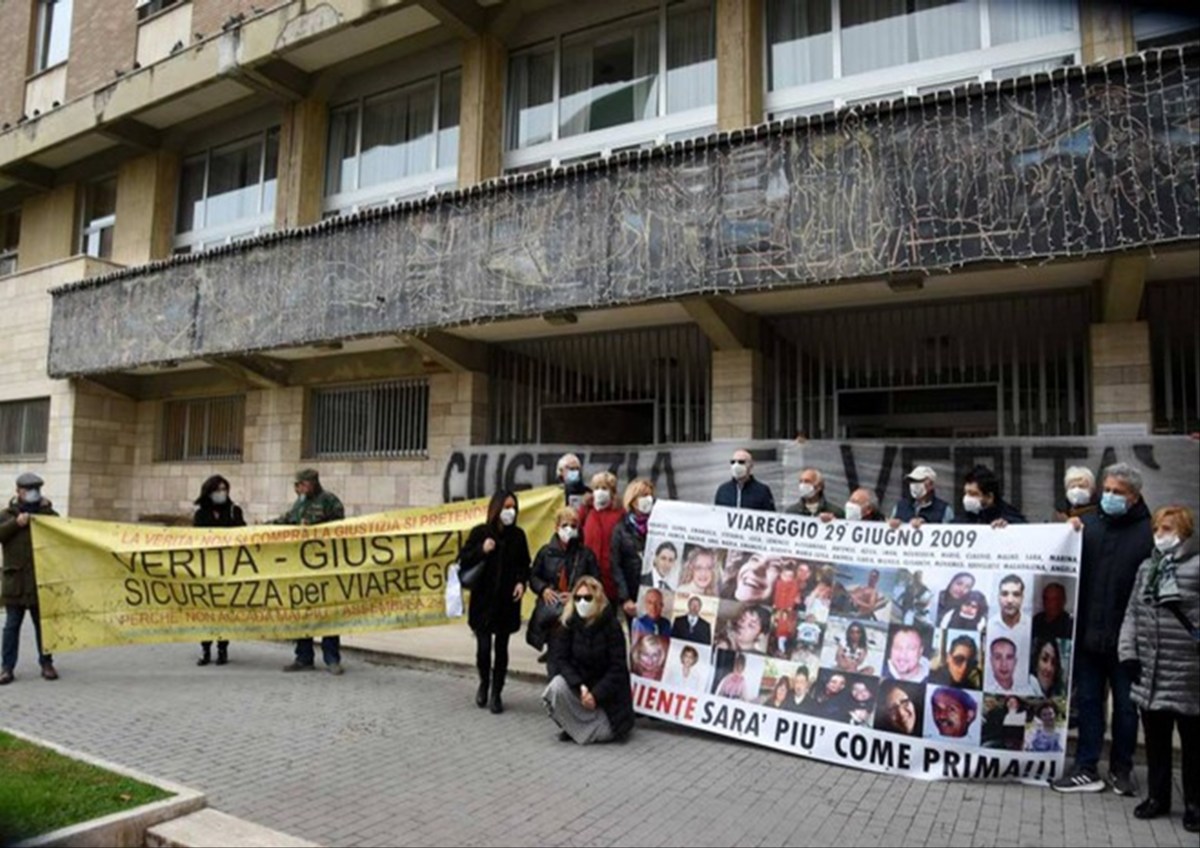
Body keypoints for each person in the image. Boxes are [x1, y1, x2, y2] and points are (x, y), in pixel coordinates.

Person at [1052, 462, 1152, 796]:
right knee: (1090, 704)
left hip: (1127, 642)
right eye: (1106, 490)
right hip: (1088, 637)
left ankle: (1122, 769)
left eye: (1117, 492)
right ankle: (1086, 767)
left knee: (1126, 708)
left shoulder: (1148, 534)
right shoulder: (1087, 527)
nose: (1109, 496)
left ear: (1134, 496)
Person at [1118, 505, 1199, 830]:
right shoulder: (1147, 568)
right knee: (1156, 741)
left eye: (1167, 529)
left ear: (1184, 531)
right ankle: (1158, 797)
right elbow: (1132, 613)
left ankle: (1194, 803)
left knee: (1193, 745)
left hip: (1188, 672)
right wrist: (1128, 653)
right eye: (1156, 529)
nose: (1159, 535)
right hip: (1150, 671)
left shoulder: (1196, 567)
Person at [460, 490, 531, 714]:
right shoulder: (480, 533)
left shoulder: (518, 536)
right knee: (483, 648)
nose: (510, 512)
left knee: (501, 649)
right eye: (506, 507)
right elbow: (464, 559)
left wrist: (521, 582)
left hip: (506, 602)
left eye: (513, 508)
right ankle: (484, 682)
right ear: (496, 509)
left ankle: (497, 692)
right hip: (483, 602)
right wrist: (482, 549)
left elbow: (524, 564)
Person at [544, 575, 634, 744]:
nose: (582, 602)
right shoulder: (569, 624)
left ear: (597, 599)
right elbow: (561, 660)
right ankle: (576, 728)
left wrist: (596, 695)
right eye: (578, 598)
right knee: (556, 686)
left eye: (587, 598)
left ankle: (578, 729)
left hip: (606, 700)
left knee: (607, 732)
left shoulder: (612, 626)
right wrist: (580, 686)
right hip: (582, 693)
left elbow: (617, 669)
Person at [276, 469, 346, 675]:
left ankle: (332, 658)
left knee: (329, 613)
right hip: (302, 566)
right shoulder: (299, 504)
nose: (299, 489)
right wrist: (261, 529)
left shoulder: (329, 501)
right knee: (302, 612)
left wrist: (314, 527)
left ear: (312, 483)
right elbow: (287, 520)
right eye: (297, 485)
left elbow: (341, 527)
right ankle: (304, 657)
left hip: (325, 566)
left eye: (302, 484)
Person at [0, 473, 60, 684]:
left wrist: (47, 509)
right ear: (18, 492)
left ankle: (46, 663)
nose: (34, 494)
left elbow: (61, 530)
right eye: (29, 490)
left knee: (43, 626)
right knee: (11, 627)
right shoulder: (7, 514)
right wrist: (16, 524)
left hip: (39, 581)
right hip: (15, 582)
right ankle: (6, 668)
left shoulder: (45, 515)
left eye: (37, 490)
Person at [527, 507, 599, 658]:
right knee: (555, 652)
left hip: (576, 611)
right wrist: (543, 589)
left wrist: (575, 595)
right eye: (565, 525)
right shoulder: (546, 552)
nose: (569, 529)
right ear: (556, 527)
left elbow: (595, 581)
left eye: (573, 526)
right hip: (551, 612)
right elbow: (533, 576)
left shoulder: (586, 555)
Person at [192, 474, 246, 667]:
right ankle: (205, 649)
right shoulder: (201, 514)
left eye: (224, 489)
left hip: (228, 568)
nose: (221, 493)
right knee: (206, 611)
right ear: (209, 492)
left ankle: (223, 648)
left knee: (224, 611)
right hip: (207, 569)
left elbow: (243, 534)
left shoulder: (234, 511)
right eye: (218, 490)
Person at [611, 478, 655, 625]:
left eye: (650, 495)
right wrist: (625, 598)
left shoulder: (660, 525)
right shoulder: (620, 529)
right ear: (633, 500)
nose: (648, 499)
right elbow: (616, 565)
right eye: (644, 495)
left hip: (655, 593)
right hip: (633, 594)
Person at [582, 471, 625, 606]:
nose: (600, 492)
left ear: (612, 492)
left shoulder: (620, 514)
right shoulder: (586, 511)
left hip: (611, 576)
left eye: (604, 488)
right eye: (596, 488)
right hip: (589, 576)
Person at [955, 464, 1027, 527]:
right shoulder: (965, 516)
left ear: (989, 497)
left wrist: (1007, 527)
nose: (967, 498)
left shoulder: (1009, 517)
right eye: (966, 493)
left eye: (973, 494)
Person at [988, 574, 1031, 663]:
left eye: (1016, 594)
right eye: (1004, 594)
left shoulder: (1031, 625)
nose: (1010, 600)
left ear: (1022, 598)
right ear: (998, 597)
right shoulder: (989, 625)